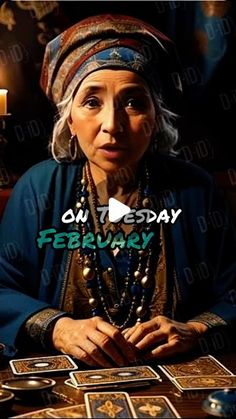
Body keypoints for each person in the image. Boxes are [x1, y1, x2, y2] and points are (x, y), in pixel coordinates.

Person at [0, 14, 235, 367]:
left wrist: (197, 329)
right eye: (91, 102)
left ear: (156, 118)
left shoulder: (195, 190)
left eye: (134, 102)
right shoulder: (39, 188)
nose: (112, 125)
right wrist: (58, 327)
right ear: (70, 120)